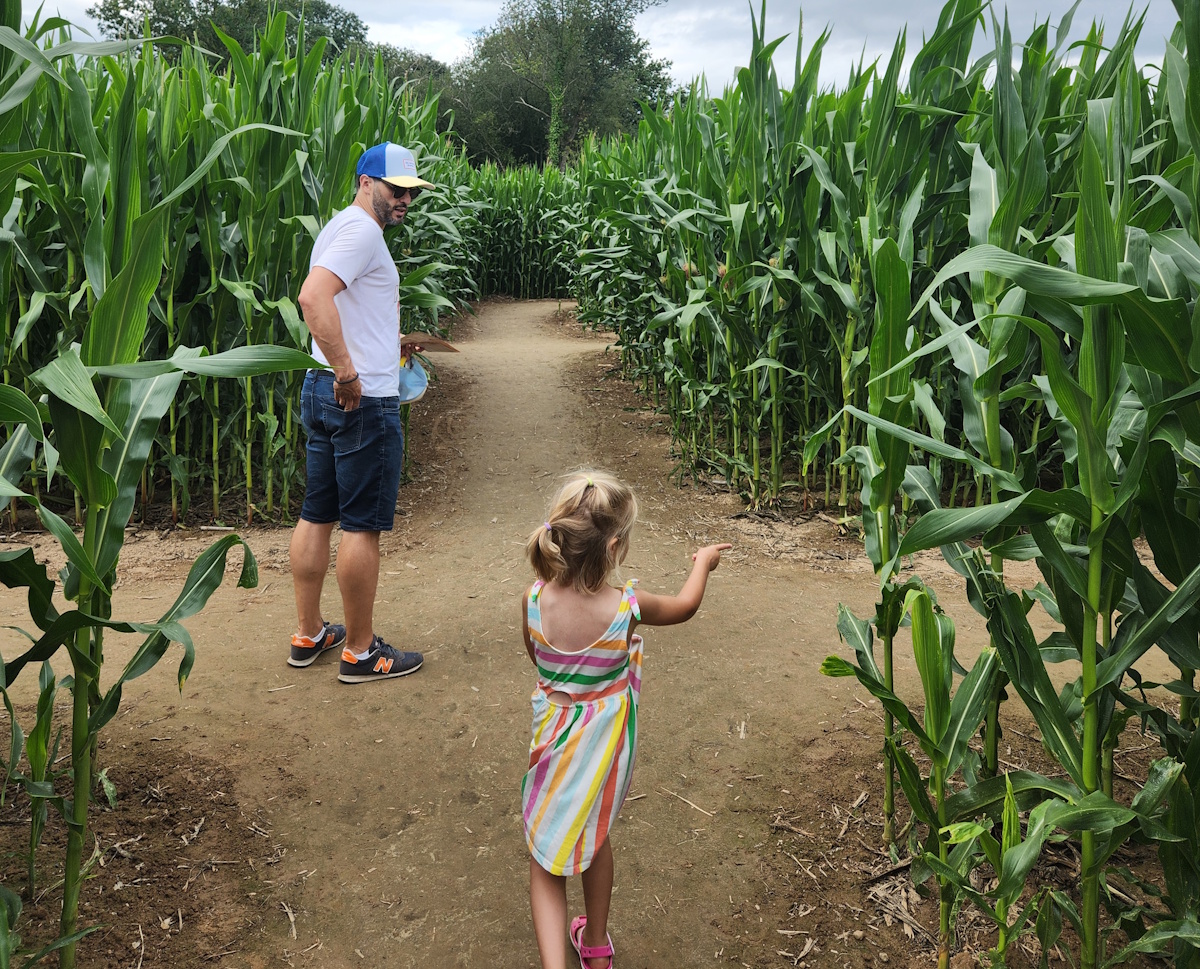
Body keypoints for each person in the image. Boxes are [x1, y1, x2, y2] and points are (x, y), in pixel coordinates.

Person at [520, 469, 732, 969]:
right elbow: (685, 606)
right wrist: (703, 562)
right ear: (615, 547)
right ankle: (594, 946)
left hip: (554, 741)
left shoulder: (533, 600)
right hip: (605, 745)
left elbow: (538, 659)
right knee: (594, 835)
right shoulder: (626, 608)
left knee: (544, 859)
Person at [287, 142, 434, 684]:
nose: (405, 201)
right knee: (361, 526)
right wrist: (350, 373)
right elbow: (313, 298)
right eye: (397, 190)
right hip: (358, 397)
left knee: (317, 513)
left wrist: (382, 339)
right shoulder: (364, 231)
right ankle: (361, 651)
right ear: (367, 182)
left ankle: (309, 634)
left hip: (318, 386)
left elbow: (341, 304)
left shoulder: (339, 227)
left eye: (412, 193)